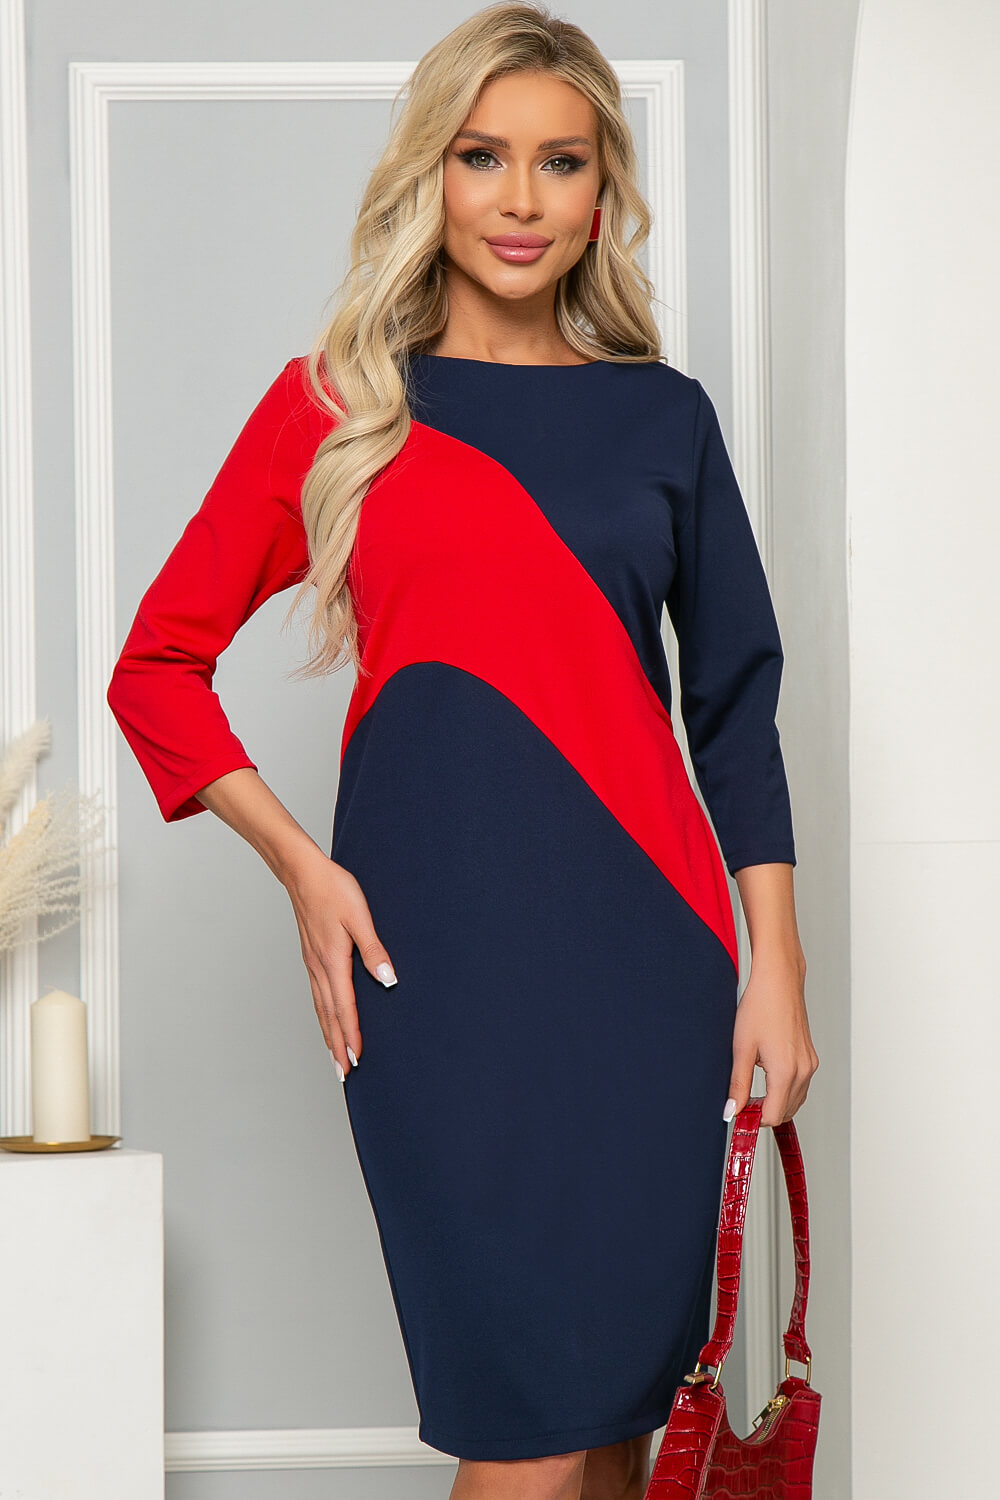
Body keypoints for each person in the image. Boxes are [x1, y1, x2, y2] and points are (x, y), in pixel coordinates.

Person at [106, 4, 819, 1497]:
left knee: (617, 1429)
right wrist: (303, 869)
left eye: (561, 161)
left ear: (604, 191)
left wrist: (780, 970)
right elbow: (156, 669)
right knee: (530, 1429)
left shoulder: (661, 419)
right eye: (483, 156)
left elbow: (733, 704)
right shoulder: (337, 408)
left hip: (654, 972)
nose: (520, 198)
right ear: (428, 172)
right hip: (436, 980)